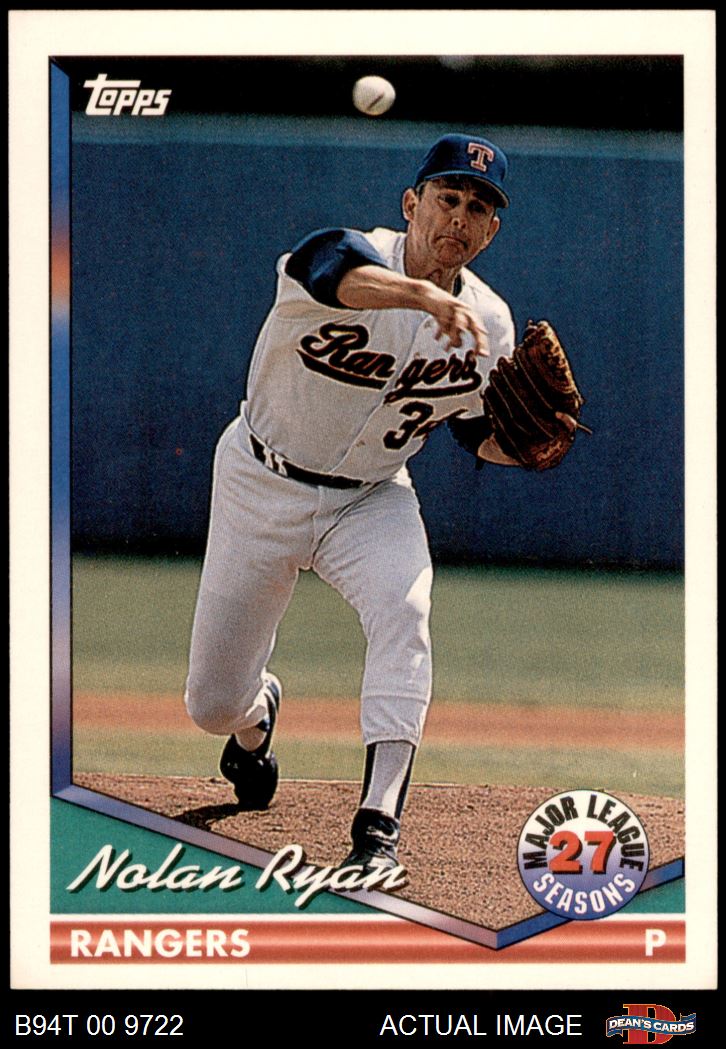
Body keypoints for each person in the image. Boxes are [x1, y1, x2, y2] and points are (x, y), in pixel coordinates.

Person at [184, 133, 521, 875]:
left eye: (478, 209)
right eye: (448, 197)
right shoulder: (347, 251)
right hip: (260, 481)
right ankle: (254, 720)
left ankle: (378, 823)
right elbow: (330, 271)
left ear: (492, 231)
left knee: (406, 612)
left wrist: (524, 449)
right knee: (211, 703)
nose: (459, 217)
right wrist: (421, 294)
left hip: (370, 498)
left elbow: (473, 429)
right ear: (411, 204)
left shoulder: (490, 324)